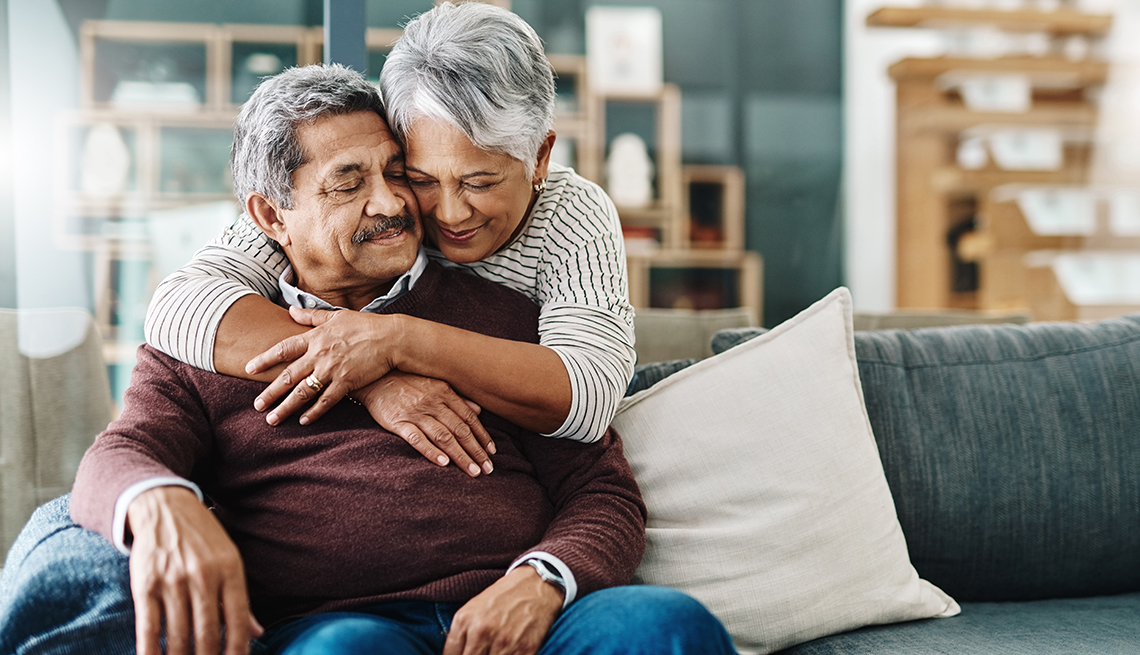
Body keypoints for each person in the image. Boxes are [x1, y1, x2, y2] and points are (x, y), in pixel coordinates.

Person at [0, 64, 734, 655]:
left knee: (668, 627)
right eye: (348, 183)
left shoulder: (501, 319)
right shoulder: (208, 340)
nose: (392, 203)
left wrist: (542, 580)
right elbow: (116, 455)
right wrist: (161, 503)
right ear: (269, 216)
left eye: (395, 171)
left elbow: (601, 492)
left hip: (527, 616)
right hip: (340, 623)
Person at [144, 2, 635, 478]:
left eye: (479, 183)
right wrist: (375, 377)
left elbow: (590, 397)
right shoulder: (360, 208)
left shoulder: (572, 214)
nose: (448, 213)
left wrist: (398, 340)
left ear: (541, 158)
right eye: (419, 178)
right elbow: (177, 307)